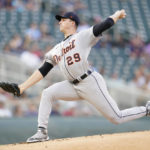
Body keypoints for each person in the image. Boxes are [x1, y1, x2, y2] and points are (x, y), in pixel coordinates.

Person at [1, 10, 150, 143]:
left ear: (72, 22)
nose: (60, 21)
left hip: (90, 82)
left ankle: (147, 109)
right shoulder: (56, 49)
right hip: (72, 85)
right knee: (47, 93)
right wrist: (22, 87)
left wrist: (116, 15)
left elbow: (104, 25)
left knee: (116, 118)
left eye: (63, 19)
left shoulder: (82, 37)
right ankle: (42, 132)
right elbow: (43, 70)